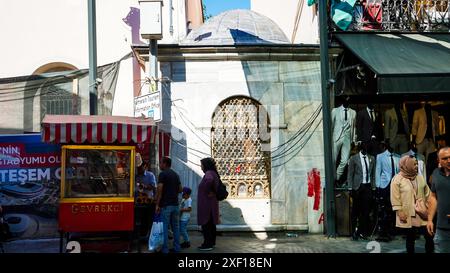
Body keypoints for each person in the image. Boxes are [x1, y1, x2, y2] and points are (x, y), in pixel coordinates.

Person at [391, 155, 434, 253]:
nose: (416, 166)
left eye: (417, 164)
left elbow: (427, 193)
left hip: (422, 212)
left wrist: (431, 206)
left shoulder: (419, 177)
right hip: (408, 213)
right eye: (414, 164)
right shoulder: (397, 179)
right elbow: (395, 197)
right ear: (407, 165)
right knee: (410, 238)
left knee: (429, 236)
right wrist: (399, 211)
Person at [347, 143, 376, 240]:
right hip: (358, 188)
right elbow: (350, 174)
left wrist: (374, 188)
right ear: (360, 148)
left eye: (366, 148)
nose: (365, 149)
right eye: (364, 147)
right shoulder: (354, 158)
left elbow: (373, 174)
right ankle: (353, 232)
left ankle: (361, 232)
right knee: (355, 211)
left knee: (366, 211)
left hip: (367, 187)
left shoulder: (371, 158)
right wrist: (350, 188)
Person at [155, 156, 182, 254]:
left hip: (166, 205)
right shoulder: (176, 174)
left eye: (161, 163)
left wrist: (157, 204)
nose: (160, 165)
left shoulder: (162, 174)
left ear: (165, 164)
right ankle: (177, 248)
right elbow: (180, 189)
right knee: (176, 227)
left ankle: (165, 249)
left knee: (165, 227)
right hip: (175, 204)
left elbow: (160, 190)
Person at [375, 142, 400, 241]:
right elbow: (378, 171)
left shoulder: (398, 157)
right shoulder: (380, 156)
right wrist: (377, 186)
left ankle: (391, 231)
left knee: (392, 209)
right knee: (383, 208)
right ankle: (383, 232)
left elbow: (399, 172)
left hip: (395, 185)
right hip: (384, 185)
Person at [427, 147, 450, 253]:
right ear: (439, 160)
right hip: (441, 228)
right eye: (445, 158)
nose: (449, 160)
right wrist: (430, 219)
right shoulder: (436, 173)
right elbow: (433, 197)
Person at [331, 96, 357, 184]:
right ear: (343, 101)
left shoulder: (353, 112)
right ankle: (332, 179)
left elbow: (354, 127)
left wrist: (353, 139)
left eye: (349, 100)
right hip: (336, 138)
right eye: (346, 100)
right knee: (333, 160)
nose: (347, 102)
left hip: (347, 138)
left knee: (345, 160)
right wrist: (330, 139)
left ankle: (336, 178)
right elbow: (331, 125)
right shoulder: (335, 111)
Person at [197, 157, 221, 251]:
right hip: (211, 203)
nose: (201, 167)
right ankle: (211, 242)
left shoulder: (209, 173)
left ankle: (207, 244)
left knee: (206, 223)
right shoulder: (213, 173)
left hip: (206, 204)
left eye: (202, 165)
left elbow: (209, 181)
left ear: (206, 165)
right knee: (211, 224)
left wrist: (208, 190)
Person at [135, 161, 156, 237]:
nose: (139, 170)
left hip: (148, 201)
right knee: (140, 219)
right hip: (139, 201)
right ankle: (141, 235)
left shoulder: (150, 175)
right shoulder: (137, 176)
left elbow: (153, 187)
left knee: (148, 219)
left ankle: (148, 236)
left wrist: (144, 186)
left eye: (140, 168)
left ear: (145, 166)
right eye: (138, 168)